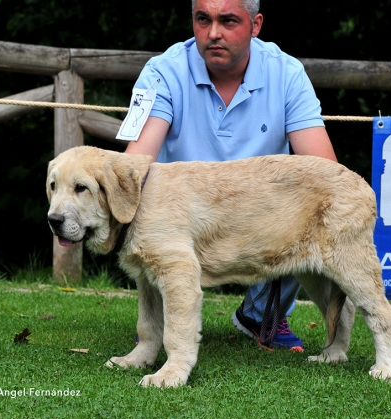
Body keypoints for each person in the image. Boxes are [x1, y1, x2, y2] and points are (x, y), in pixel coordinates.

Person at [125, 0, 338, 351]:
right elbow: (135, 164)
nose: (213, 33)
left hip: (257, 214)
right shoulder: (160, 71)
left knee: (305, 208)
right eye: (202, 19)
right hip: (182, 216)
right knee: (144, 205)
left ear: (255, 25)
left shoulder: (287, 72)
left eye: (228, 21)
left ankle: (259, 315)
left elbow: (324, 173)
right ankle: (158, 322)